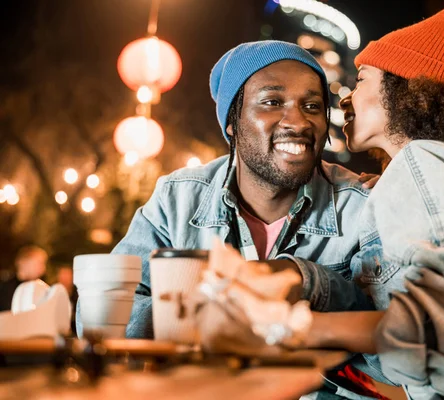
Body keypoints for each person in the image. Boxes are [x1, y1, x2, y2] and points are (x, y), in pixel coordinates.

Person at [205, 4, 444, 399]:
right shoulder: (417, 181)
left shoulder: (421, 162)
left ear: (404, 89)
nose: (344, 100)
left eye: (361, 80)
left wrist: (287, 326)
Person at [78, 40, 388, 398]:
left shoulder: (362, 206)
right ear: (231, 123)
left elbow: (393, 358)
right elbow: (100, 317)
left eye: (312, 105)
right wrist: (220, 317)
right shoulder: (177, 198)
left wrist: (308, 282)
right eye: (272, 102)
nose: (299, 121)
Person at [0, 245, 48, 311]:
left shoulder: (42, 288)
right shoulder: (5, 289)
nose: (43, 269)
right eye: (39, 263)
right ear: (23, 262)